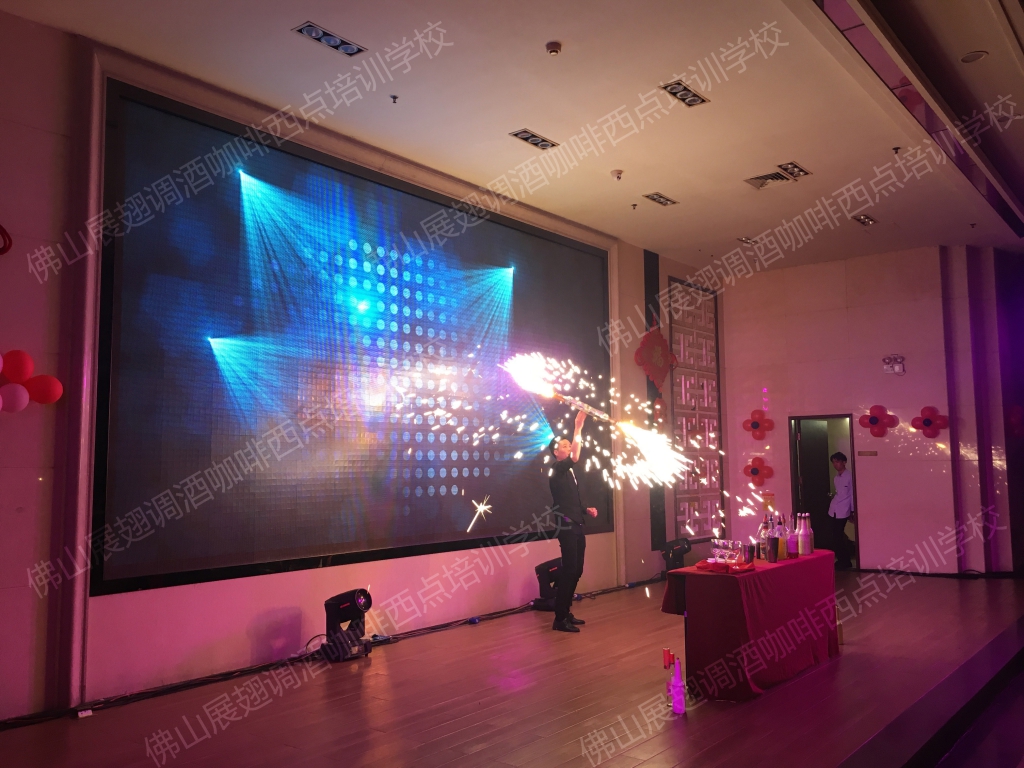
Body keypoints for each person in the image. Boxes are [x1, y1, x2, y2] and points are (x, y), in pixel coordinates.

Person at [548, 409, 598, 633]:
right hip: (566, 525)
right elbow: (575, 457)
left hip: (576, 523)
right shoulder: (557, 469)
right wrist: (578, 426)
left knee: (577, 570)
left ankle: (566, 612)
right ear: (556, 452)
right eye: (565, 446)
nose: (569, 447)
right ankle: (559, 619)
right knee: (570, 570)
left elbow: (570, 498)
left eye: (570, 444)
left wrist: (585, 509)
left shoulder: (569, 473)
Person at [828, 451, 854, 569]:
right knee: (835, 536)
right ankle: (841, 559)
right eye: (833, 462)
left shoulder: (849, 477)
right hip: (834, 509)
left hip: (844, 510)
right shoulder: (836, 478)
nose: (835, 464)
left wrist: (852, 511)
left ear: (844, 462)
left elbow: (852, 494)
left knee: (838, 536)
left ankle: (845, 560)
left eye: (837, 462)